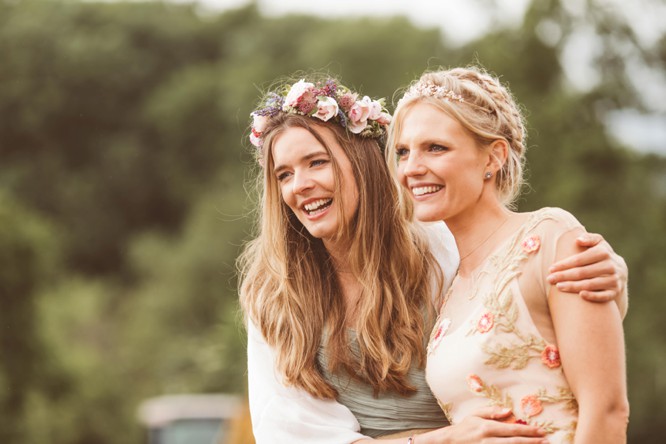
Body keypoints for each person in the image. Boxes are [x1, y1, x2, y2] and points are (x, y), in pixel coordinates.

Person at [238, 74, 628, 443]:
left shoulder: (443, 249)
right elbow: (292, 436)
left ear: (364, 162)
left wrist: (608, 274)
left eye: (317, 162)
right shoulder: (274, 295)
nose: (300, 185)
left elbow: (522, 294)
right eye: (284, 175)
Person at [387, 67, 629, 443]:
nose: (412, 168)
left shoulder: (551, 239)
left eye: (435, 148)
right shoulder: (450, 286)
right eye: (404, 151)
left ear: (493, 157)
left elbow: (608, 410)